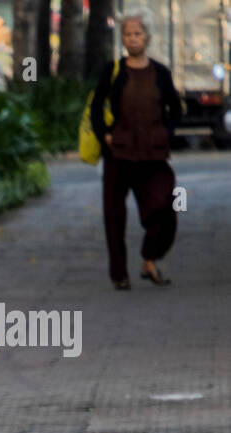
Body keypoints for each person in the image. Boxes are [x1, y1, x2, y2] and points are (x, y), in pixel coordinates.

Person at [91, 8, 182, 289]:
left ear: (148, 37)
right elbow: (96, 107)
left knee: (166, 205)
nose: (132, 39)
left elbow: (176, 109)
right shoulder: (113, 71)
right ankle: (119, 275)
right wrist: (104, 135)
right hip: (118, 154)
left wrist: (165, 133)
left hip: (153, 155)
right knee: (114, 216)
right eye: (128, 34)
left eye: (137, 33)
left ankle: (149, 258)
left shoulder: (161, 73)